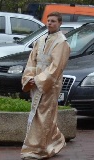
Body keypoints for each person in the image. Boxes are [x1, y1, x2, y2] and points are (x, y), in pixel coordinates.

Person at [20, 12, 70, 159]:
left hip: (49, 84)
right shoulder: (41, 39)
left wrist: (39, 80)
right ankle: (54, 141)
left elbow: (57, 66)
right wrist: (29, 77)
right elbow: (32, 60)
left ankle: (39, 149)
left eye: (53, 21)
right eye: (48, 21)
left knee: (45, 115)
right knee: (38, 114)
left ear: (59, 23)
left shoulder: (61, 42)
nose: (50, 23)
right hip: (36, 82)